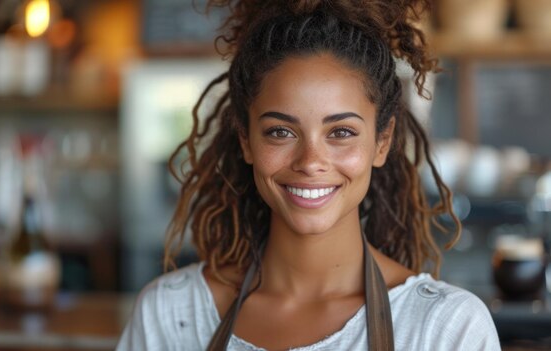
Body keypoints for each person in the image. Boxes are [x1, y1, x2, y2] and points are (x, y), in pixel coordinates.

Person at [117, 0, 501, 350]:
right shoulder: (169, 316)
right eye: (281, 132)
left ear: (381, 142)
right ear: (246, 141)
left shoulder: (446, 329)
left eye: (341, 132)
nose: (310, 161)